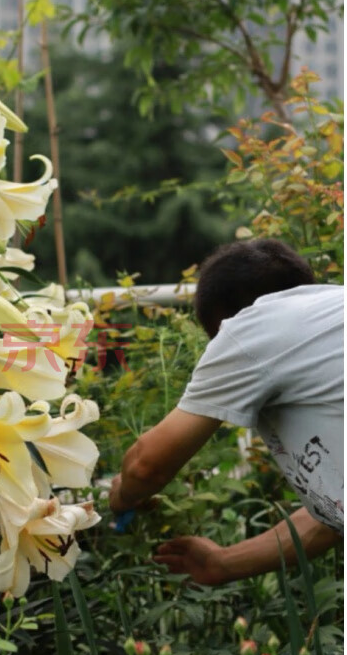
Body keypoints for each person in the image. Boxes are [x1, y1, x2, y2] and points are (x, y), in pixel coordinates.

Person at [108, 239, 343, 585]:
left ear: (223, 321)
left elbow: (147, 467)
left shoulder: (254, 325)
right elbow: (331, 516)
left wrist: (122, 496)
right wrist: (222, 563)